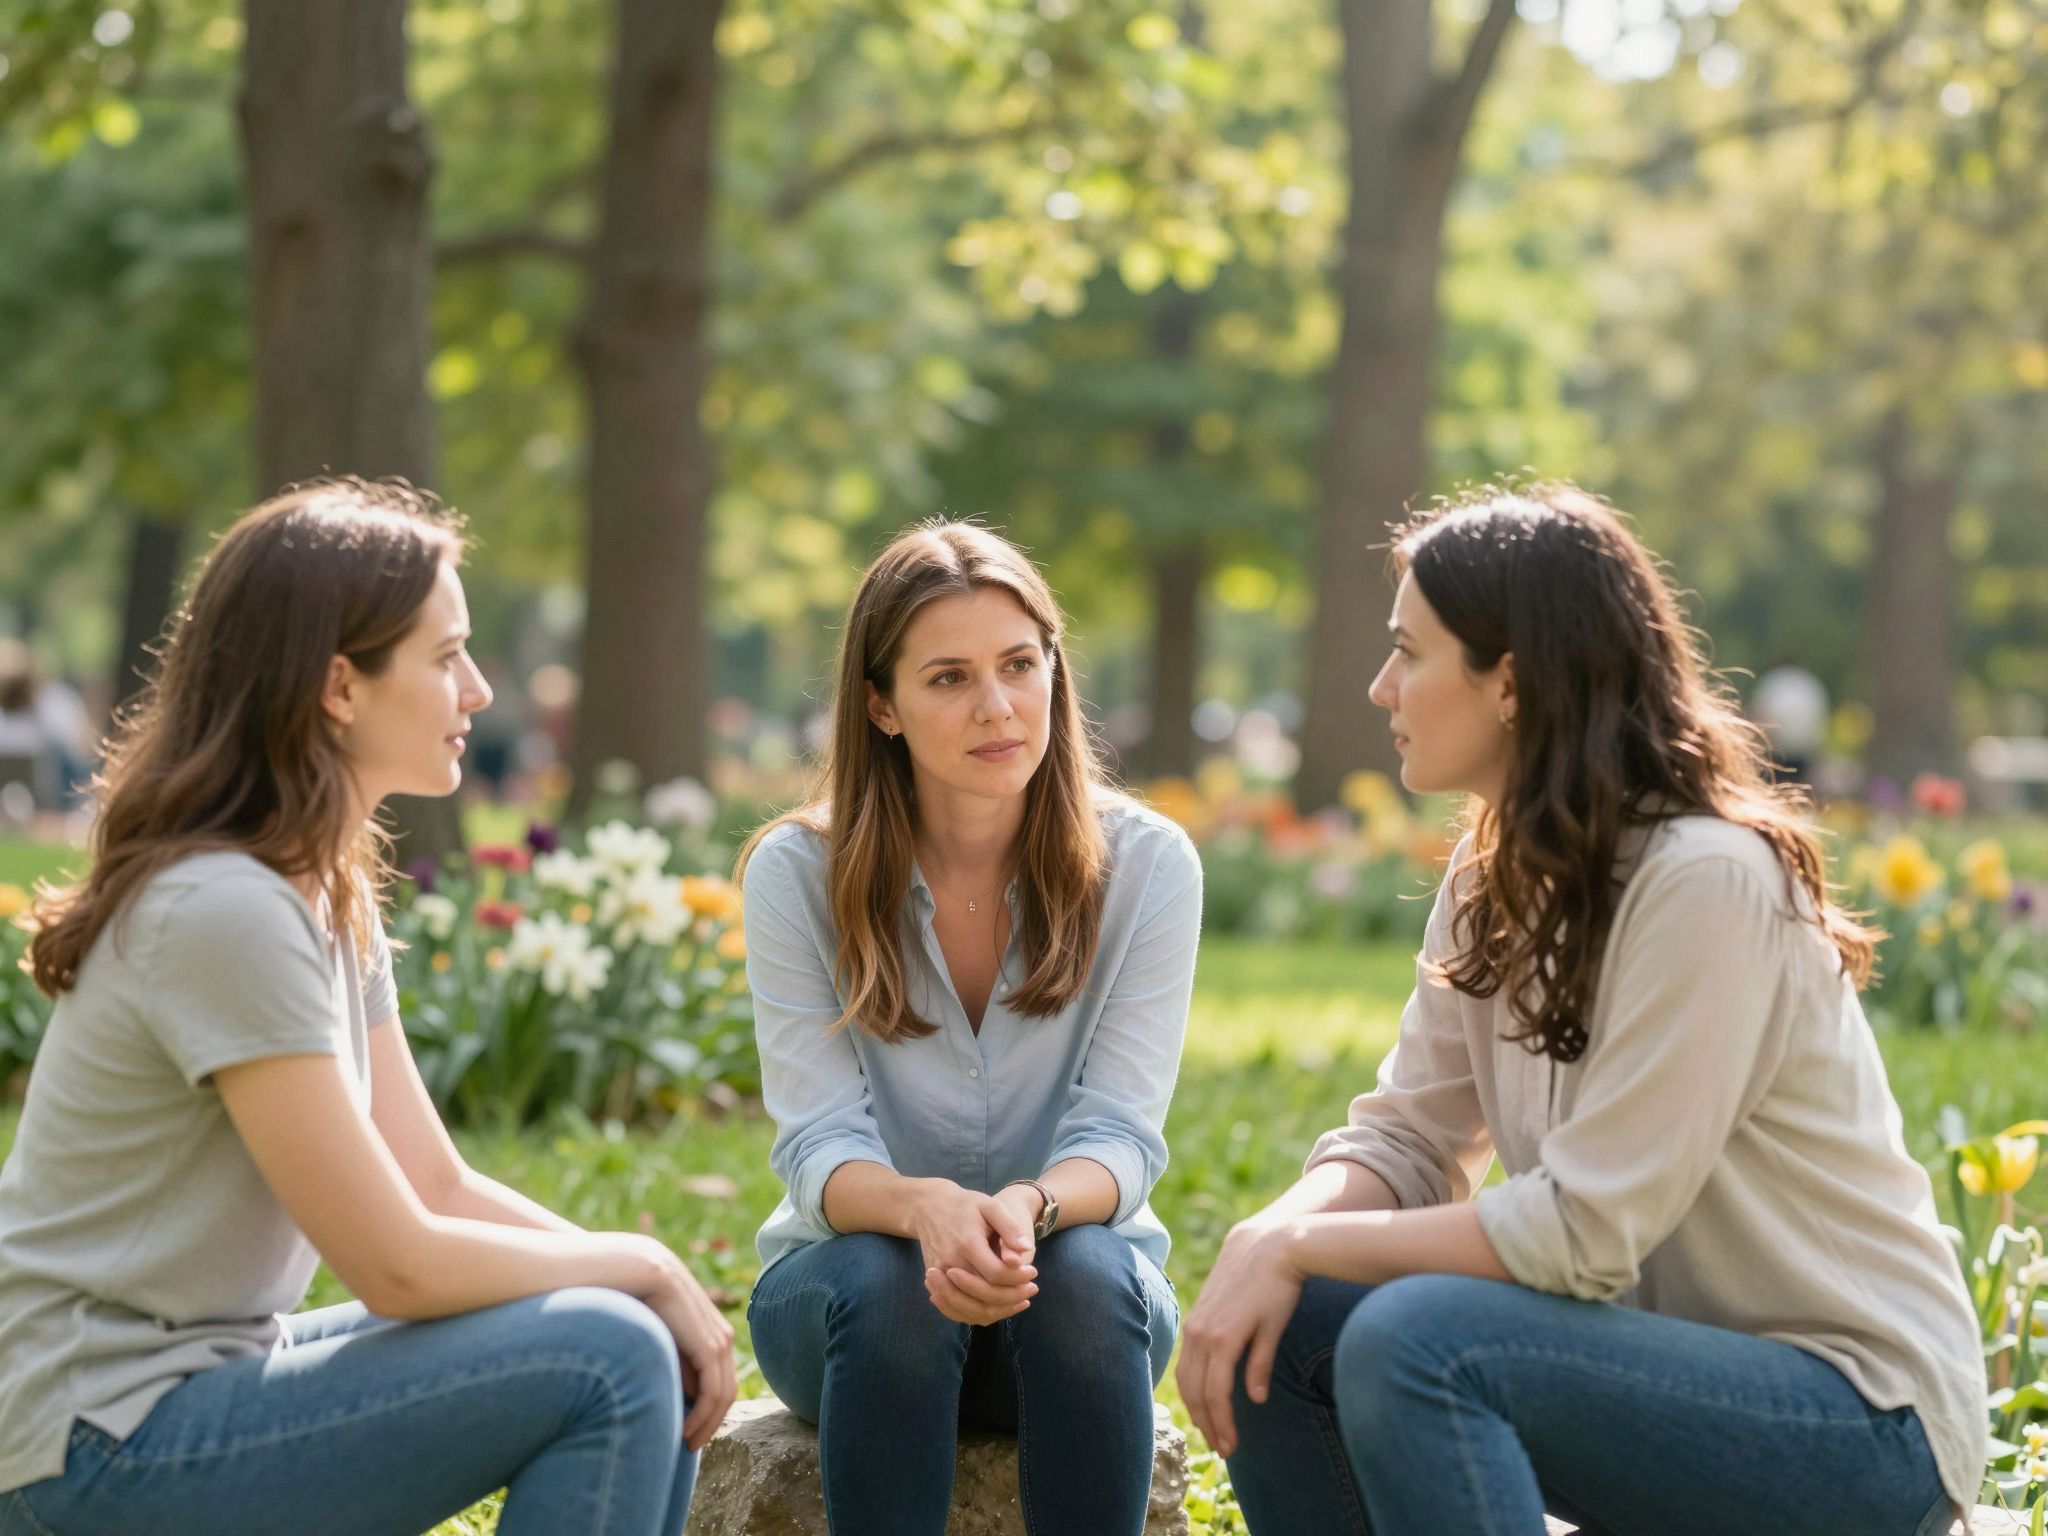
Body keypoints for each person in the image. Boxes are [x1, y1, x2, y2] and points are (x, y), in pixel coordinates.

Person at [1176, 485, 1983, 1536]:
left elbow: (1580, 1235)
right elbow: (1410, 1137)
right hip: (1652, 1388)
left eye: (1408, 654)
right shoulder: (1490, 871)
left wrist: (1299, 1250)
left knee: (1416, 1337)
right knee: (1284, 1337)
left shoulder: (1705, 879)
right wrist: (1266, 1238)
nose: (1379, 687)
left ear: (1507, 682)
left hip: (1862, 1424)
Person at [0, 479, 735, 1536]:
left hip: (183, 1389)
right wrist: (646, 1261)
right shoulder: (223, 908)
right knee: (608, 1351)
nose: (479, 691)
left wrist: (644, 1287)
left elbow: (434, 1181)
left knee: (625, 1326)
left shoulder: (314, 891)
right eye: (445, 659)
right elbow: (397, 1264)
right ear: (339, 686)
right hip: (84, 1447)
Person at [737, 521, 1200, 1536]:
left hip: (1071, 1307)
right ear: (881, 705)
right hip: (848, 1314)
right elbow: (819, 1142)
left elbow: (1119, 1135)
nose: (996, 706)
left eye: (1018, 665)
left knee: (1086, 1271)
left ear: (1053, 672)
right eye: (947, 678)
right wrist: (925, 1214)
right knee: (888, 1277)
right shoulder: (795, 876)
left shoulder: (1149, 866)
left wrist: (1023, 1209)